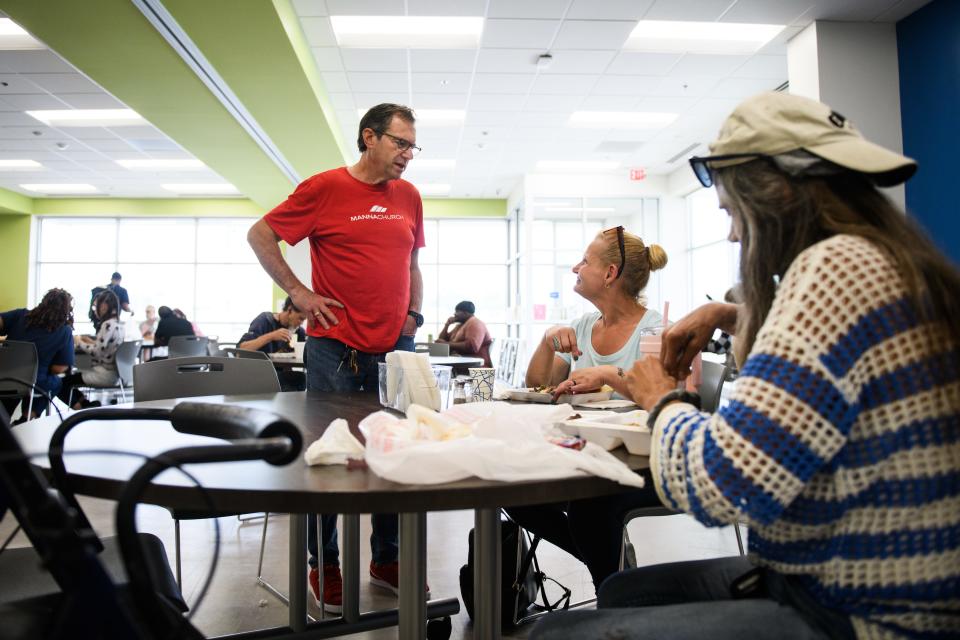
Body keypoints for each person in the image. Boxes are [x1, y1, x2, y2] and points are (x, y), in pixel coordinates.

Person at [531, 92, 960, 640]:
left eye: (733, 214)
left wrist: (662, 401)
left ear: (779, 193)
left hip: (860, 610)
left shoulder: (830, 271)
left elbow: (725, 486)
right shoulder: (880, 259)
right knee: (620, 593)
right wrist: (732, 315)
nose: (733, 234)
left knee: (555, 635)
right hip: (847, 578)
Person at [247, 103, 426, 613]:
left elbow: (413, 260)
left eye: (413, 146)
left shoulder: (409, 196)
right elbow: (260, 235)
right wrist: (298, 293)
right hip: (334, 348)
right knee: (329, 461)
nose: (408, 155)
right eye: (400, 143)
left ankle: (385, 559)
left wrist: (414, 312)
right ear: (369, 137)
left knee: (396, 453)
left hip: (396, 347)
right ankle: (324, 565)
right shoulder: (324, 188)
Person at [507, 227, 669, 589]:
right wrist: (548, 341)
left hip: (638, 463)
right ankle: (617, 575)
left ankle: (613, 594)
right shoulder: (581, 326)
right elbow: (539, 387)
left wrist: (609, 374)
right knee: (513, 491)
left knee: (590, 506)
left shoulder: (654, 329)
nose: (575, 268)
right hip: (584, 455)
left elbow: (659, 396)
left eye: (585, 261)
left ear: (610, 274)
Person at [0, 288, 75, 420]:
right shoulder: (64, 331)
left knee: (14, 386)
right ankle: (27, 417)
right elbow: (59, 368)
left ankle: (6, 420)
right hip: (34, 382)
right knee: (54, 382)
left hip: (4, 377)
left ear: (43, 302)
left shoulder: (21, 315)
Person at [59, 289, 123, 410]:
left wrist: (79, 342)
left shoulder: (107, 324)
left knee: (62, 383)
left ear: (104, 306)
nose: (95, 310)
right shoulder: (118, 324)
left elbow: (97, 352)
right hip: (115, 374)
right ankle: (85, 403)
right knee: (70, 379)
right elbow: (106, 347)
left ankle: (79, 407)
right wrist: (91, 341)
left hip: (104, 374)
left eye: (96, 306)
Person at [238, 296, 308, 391]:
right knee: (298, 379)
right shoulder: (265, 320)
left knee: (301, 378)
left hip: (277, 373)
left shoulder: (299, 332)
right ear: (290, 310)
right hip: (257, 373)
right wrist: (271, 336)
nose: (301, 323)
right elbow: (241, 350)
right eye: (300, 318)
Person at [435, 300, 493, 367]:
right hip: (463, 362)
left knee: (437, 368)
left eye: (457, 311)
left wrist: (446, 344)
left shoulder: (475, 323)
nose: (454, 314)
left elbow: (472, 347)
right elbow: (441, 340)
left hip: (477, 367)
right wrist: (447, 325)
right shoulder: (460, 325)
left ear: (465, 313)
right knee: (436, 367)